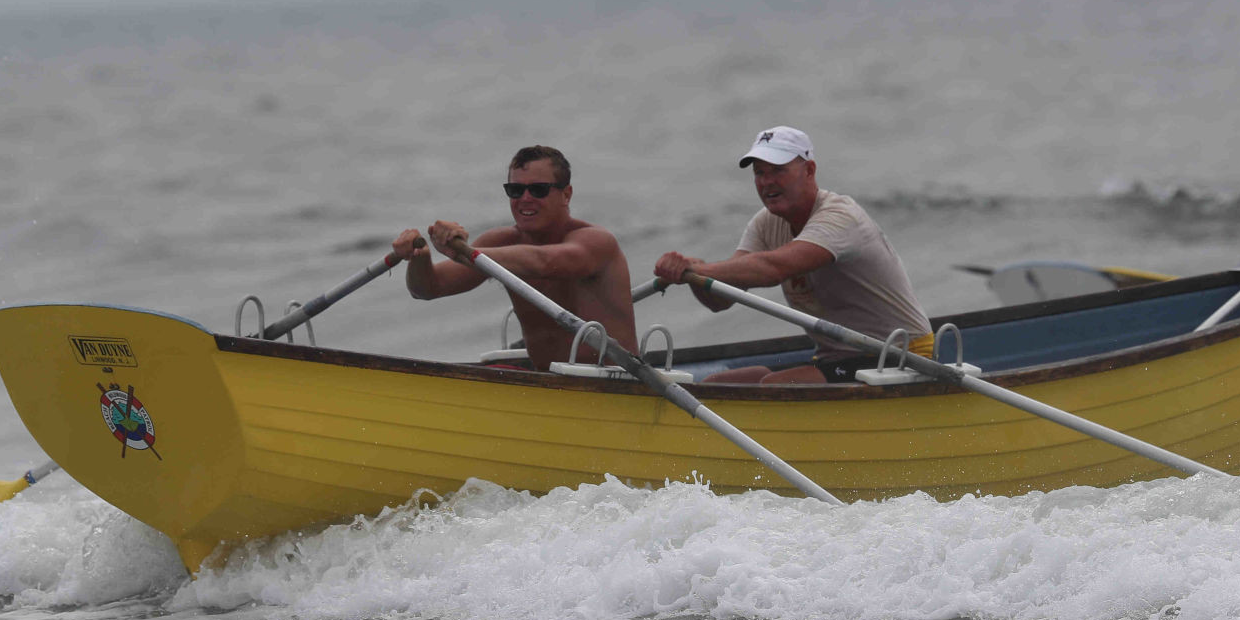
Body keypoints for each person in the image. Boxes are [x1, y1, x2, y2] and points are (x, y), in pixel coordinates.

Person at [653, 126, 932, 384]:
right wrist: (691, 275)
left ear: (809, 170)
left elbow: (774, 268)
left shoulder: (840, 217)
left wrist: (698, 269)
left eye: (778, 170)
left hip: (902, 355)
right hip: (836, 358)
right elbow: (721, 300)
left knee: (774, 386)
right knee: (719, 384)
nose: (767, 182)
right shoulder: (765, 223)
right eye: (759, 173)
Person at [391, 145, 638, 371]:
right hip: (549, 383)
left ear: (566, 195)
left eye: (538, 190)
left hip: (613, 382)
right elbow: (427, 288)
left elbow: (545, 262)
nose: (525, 199)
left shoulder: (596, 241)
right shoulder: (499, 243)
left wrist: (465, 254)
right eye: (516, 190)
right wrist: (419, 258)